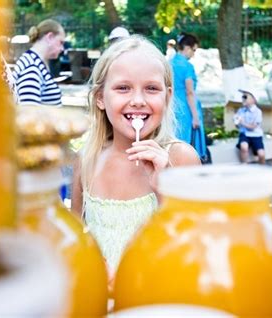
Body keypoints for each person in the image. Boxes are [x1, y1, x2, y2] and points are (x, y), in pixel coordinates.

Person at [72, 35, 200, 273]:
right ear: (100, 97)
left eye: (151, 89)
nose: (138, 100)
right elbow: (74, 241)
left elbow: (195, 250)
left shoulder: (181, 158)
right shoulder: (87, 159)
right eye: (123, 88)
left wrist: (166, 189)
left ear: (168, 96)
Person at [169, 32, 208, 160]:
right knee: (186, 145)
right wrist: (196, 116)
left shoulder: (168, 63)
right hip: (186, 108)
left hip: (171, 106)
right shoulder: (187, 66)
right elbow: (190, 92)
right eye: (194, 50)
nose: (194, 54)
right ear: (187, 48)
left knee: (172, 142)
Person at [12, 19, 65, 106]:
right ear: (50, 37)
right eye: (61, 42)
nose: (62, 48)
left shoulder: (34, 62)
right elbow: (29, 111)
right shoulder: (32, 66)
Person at [234, 89, 265, 164]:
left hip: (256, 135)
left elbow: (253, 127)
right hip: (245, 134)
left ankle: (262, 169)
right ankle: (245, 166)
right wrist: (237, 123)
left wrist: (242, 122)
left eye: (245, 97)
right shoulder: (241, 110)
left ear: (253, 100)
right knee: (243, 147)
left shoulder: (258, 112)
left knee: (261, 154)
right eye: (242, 97)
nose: (243, 99)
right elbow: (237, 124)